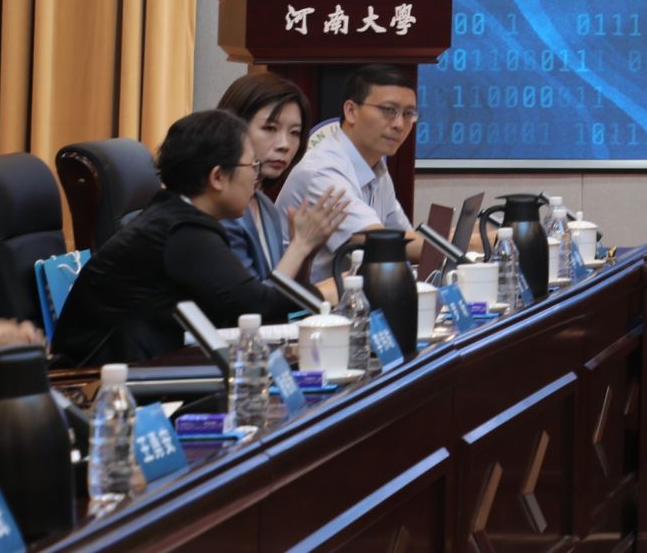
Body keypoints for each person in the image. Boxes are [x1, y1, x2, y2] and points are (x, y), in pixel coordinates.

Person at [52, 111, 307, 367]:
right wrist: (313, 273)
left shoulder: (176, 218)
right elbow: (254, 306)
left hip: (147, 366)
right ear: (217, 177)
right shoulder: (183, 232)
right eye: (252, 166)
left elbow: (234, 309)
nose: (255, 177)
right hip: (98, 379)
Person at [276, 65, 422, 283]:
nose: (400, 124)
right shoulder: (323, 170)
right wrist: (459, 246)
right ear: (351, 111)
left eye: (408, 114)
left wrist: (458, 240)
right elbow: (379, 242)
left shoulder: (377, 169)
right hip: (303, 301)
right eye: (388, 110)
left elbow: (404, 237)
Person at [215, 73, 350, 284]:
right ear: (234, 126)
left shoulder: (266, 206)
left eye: (295, 133)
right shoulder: (220, 208)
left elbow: (287, 293)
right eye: (270, 128)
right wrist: (300, 245)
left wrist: (307, 253)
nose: (285, 145)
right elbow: (253, 299)